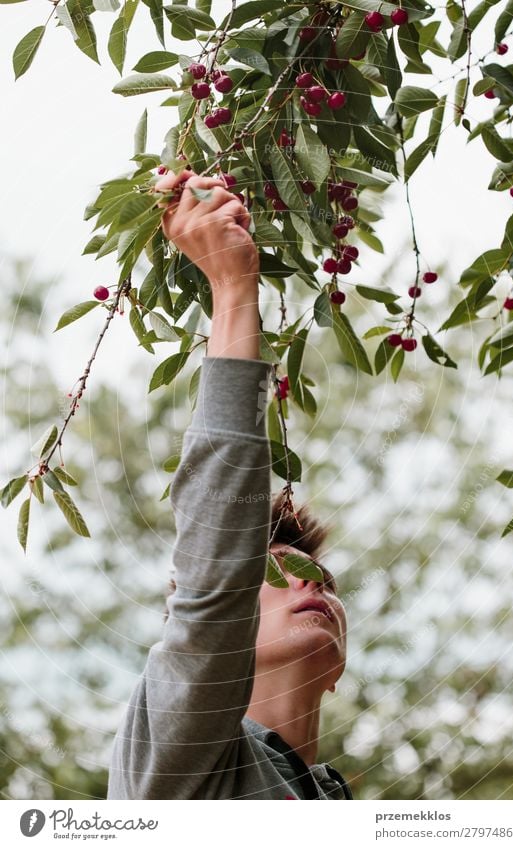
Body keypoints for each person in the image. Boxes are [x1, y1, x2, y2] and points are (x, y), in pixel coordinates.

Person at [107, 169, 351, 800]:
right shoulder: (177, 753)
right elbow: (217, 569)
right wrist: (233, 286)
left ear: (340, 671)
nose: (313, 583)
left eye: (323, 581)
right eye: (274, 575)